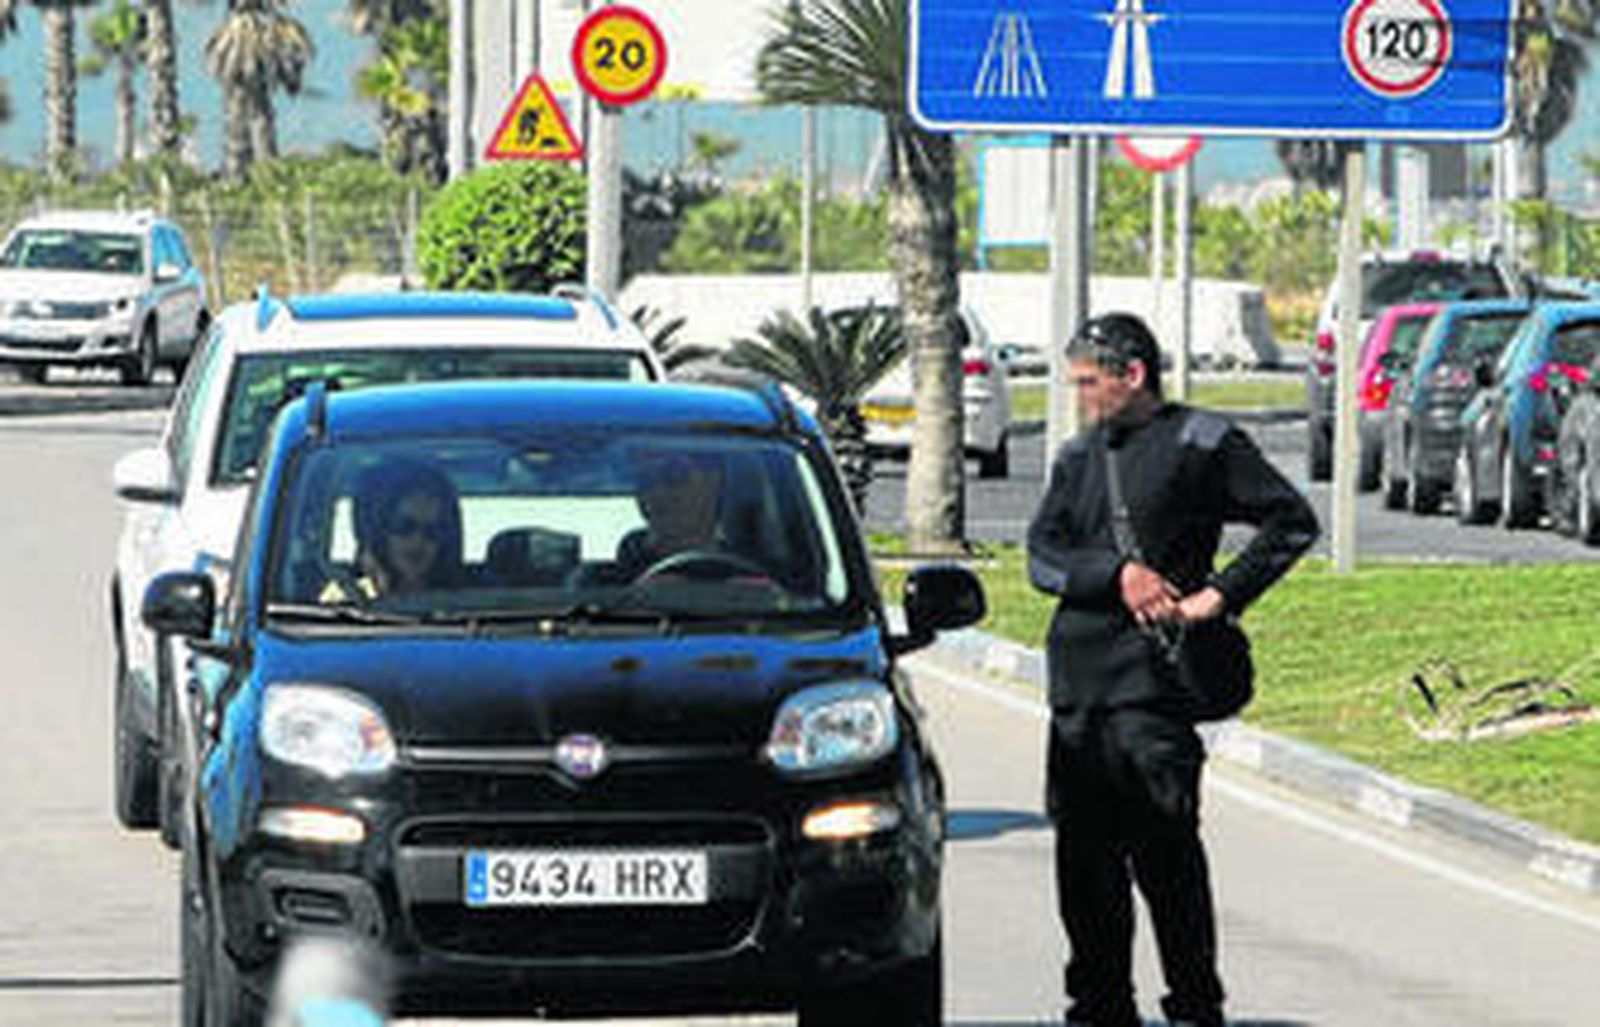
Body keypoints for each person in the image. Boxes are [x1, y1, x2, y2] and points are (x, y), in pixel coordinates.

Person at [1026, 312, 1319, 1027]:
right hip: (1079, 693)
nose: (1080, 396)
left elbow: (1291, 522)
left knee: (1166, 855)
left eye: (1090, 382)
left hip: (1154, 687)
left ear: (1133, 375)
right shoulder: (1077, 456)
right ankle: (1099, 1003)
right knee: (1084, 862)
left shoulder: (1203, 441)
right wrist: (1116, 574)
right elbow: (1042, 555)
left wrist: (1217, 597)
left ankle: (1194, 999)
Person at [322, 456, 463, 601]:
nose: (418, 540)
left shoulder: (466, 600)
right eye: (404, 526)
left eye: (432, 531)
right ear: (378, 530)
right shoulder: (339, 598)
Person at [615, 449, 731, 580]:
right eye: (647, 480)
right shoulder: (620, 578)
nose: (659, 492)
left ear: (712, 481)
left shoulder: (744, 575)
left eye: (674, 475)